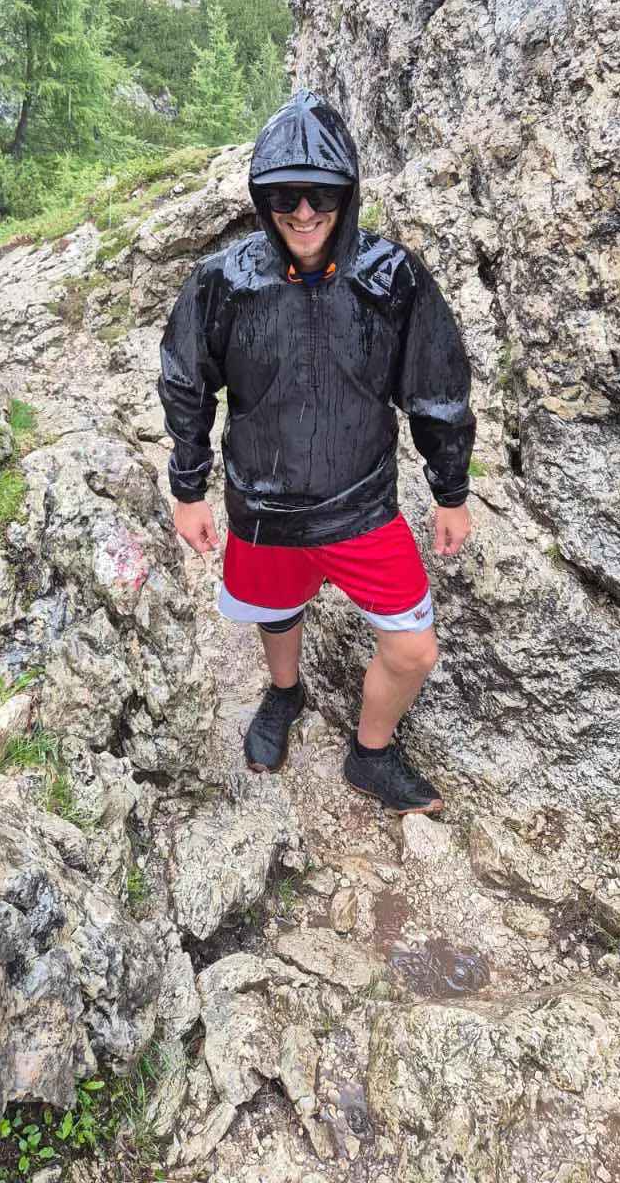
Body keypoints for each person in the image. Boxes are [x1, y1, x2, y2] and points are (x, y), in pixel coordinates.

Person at [158, 89, 474, 815]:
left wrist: (451, 490)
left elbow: (436, 386)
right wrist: (188, 488)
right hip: (262, 503)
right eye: (285, 196)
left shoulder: (392, 277)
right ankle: (284, 692)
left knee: (413, 647)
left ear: (347, 194)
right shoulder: (224, 281)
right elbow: (186, 382)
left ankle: (370, 752)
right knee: (275, 609)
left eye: (321, 195)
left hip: (361, 504)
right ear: (262, 198)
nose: (303, 212)